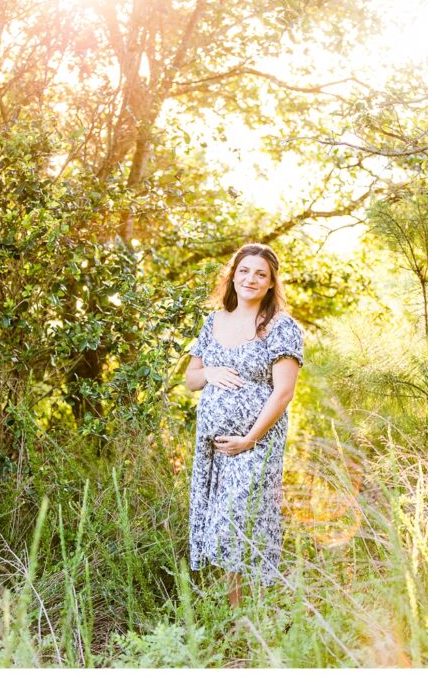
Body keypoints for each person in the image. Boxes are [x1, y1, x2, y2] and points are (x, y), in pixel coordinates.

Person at [185, 242, 303, 606]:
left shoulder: (282, 327)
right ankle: (234, 608)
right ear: (232, 275)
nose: (250, 279)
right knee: (217, 518)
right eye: (244, 271)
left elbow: (283, 393)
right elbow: (190, 379)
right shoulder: (213, 320)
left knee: (241, 519)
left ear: (271, 283)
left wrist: (249, 439)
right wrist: (209, 370)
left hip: (255, 441)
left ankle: (246, 610)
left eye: (260, 274)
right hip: (213, 445)